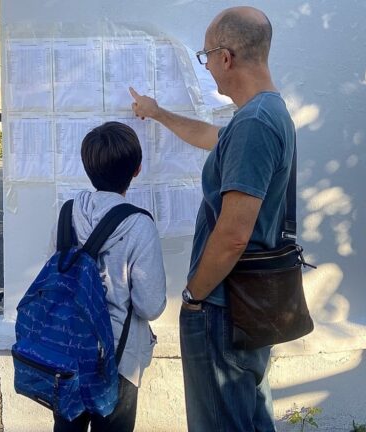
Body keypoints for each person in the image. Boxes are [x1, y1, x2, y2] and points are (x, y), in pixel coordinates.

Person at [130, 6, 294, 431]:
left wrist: (193, 295)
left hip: (224, 305)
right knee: (249, 416)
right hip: (246, 302)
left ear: (226, 57)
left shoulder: (255, 123)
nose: (207, 69)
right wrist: (158, 112)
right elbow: (210, 138)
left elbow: (234, 234)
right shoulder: (263, 115)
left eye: (205, 57)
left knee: (221, 423)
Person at [52, 121, 167, 432]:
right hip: (118, 361)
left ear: (88, 166)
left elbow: (58, 279)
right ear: (137, 169)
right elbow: (150, 305)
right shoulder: (139, 225)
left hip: (67, 353)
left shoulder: (66, 213)